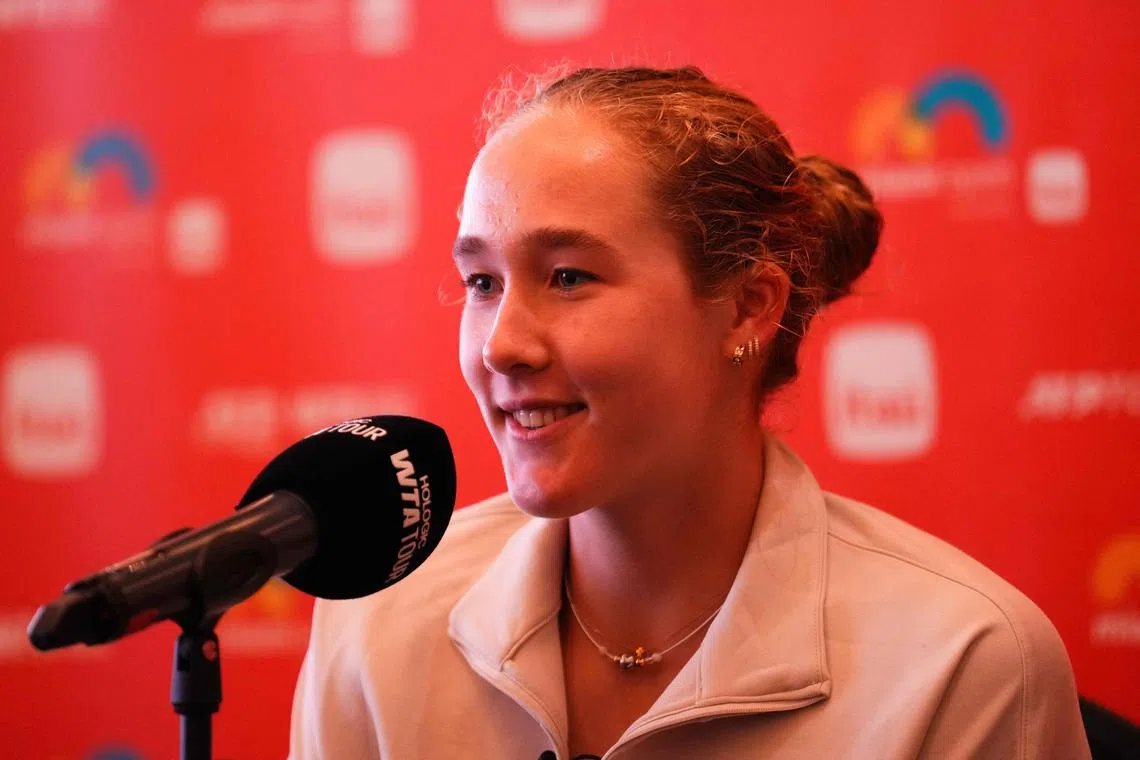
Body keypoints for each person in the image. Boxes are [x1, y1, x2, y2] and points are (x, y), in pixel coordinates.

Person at [288, 66, 1091, 759]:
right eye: (482, 282)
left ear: (747, 307)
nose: (501, 347)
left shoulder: (963, 661)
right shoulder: (378, 623)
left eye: (568, 277)